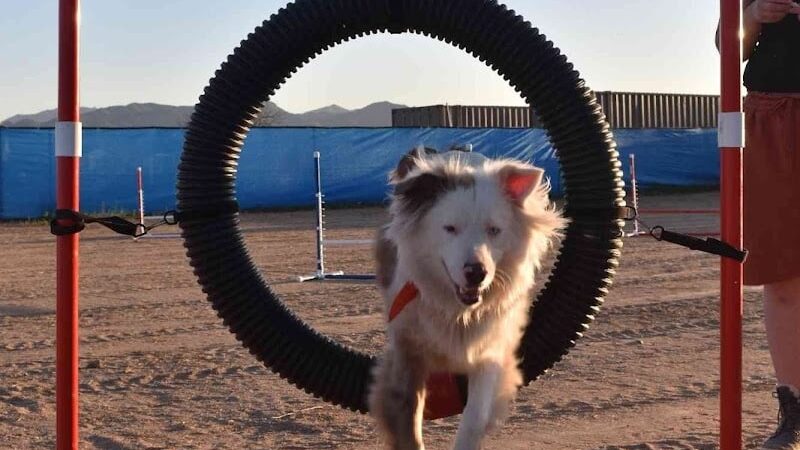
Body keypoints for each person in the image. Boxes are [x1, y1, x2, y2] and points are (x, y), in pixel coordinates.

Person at [717, 1, 800, 448]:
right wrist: (750, 19)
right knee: (783, 274)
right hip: (772, 119)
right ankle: (795, 413)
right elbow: (726, 47)